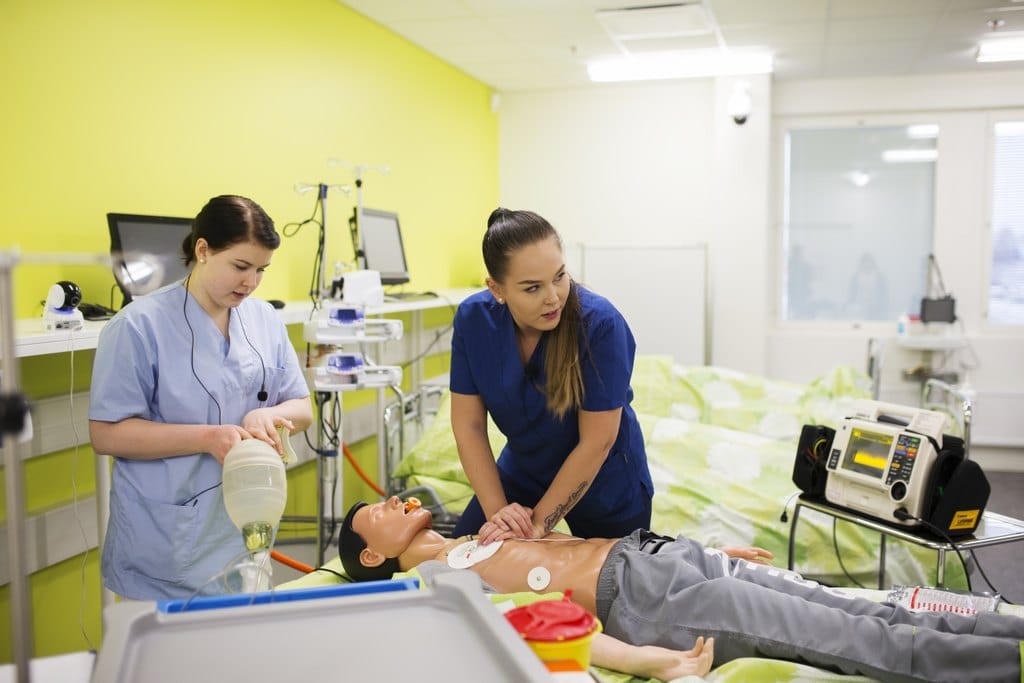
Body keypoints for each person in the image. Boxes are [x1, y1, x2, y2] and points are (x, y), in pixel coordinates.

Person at [339, 497, 1024, 683]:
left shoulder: (474, 535)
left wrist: (706, 551)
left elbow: (576, 546)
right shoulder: (429, 582)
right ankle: (1007, 666)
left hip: (660, 559)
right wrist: (650, 660)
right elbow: (536, 623)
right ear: (371, 552)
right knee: (859, 637)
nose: (395, 498)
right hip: (650, 605)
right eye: (376, 510)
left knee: (868, 606)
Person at [89, 194, 313, 600]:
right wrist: (208, 438)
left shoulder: (264, 320)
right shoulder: (138, 327)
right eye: (240, 266)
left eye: (261, 269)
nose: (251, 282)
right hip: (166, 549)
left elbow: (302, 407)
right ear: (203, 249)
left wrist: (271, 416)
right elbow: (107, 434)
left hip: (249, 538)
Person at [450, 208, 653, 544]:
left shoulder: (600, 324)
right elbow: (469, 426)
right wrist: (499, 514)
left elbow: (597, 441)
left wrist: (537, 527)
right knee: (461, 563)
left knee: (619, 588)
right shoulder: (474, 321)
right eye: (532, 288)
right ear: (496, 289)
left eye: (559, 276)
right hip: (524, 473)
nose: (553, 297)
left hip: (606, 482)